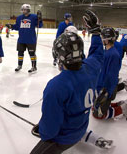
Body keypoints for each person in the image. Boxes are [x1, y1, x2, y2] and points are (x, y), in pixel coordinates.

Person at [30, 10, 104, 154]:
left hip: (64, 138)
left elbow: (50, 129)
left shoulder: (56, 86)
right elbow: (98, 54)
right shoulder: (91, 68)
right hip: (81, 127)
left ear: (60, 57)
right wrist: (95, 33)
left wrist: (43, 131)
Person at [92, 28, 127, 121]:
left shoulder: (113, 55)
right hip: (101, 86)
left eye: (103, 38)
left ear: (107, 39)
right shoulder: (107, 51)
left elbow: (112, 76)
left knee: (98, 115)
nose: (102, 39)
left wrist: (107, 92)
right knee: (94, 108)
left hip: (106, 88)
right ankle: (118, 104)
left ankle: (123, 107)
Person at [6, 4, 42, 73]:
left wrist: (40, 19)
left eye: (24, 9)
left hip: (31, 40)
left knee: (32, 54)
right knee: (20, 53)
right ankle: (19, 65)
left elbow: (39, 26)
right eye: (22, 9)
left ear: (28, 10)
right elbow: (17, 27)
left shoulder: (34, 17)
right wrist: (11, 26)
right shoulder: (19, 17)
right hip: (21, 39)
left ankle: (34, 67)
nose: (23, 11)